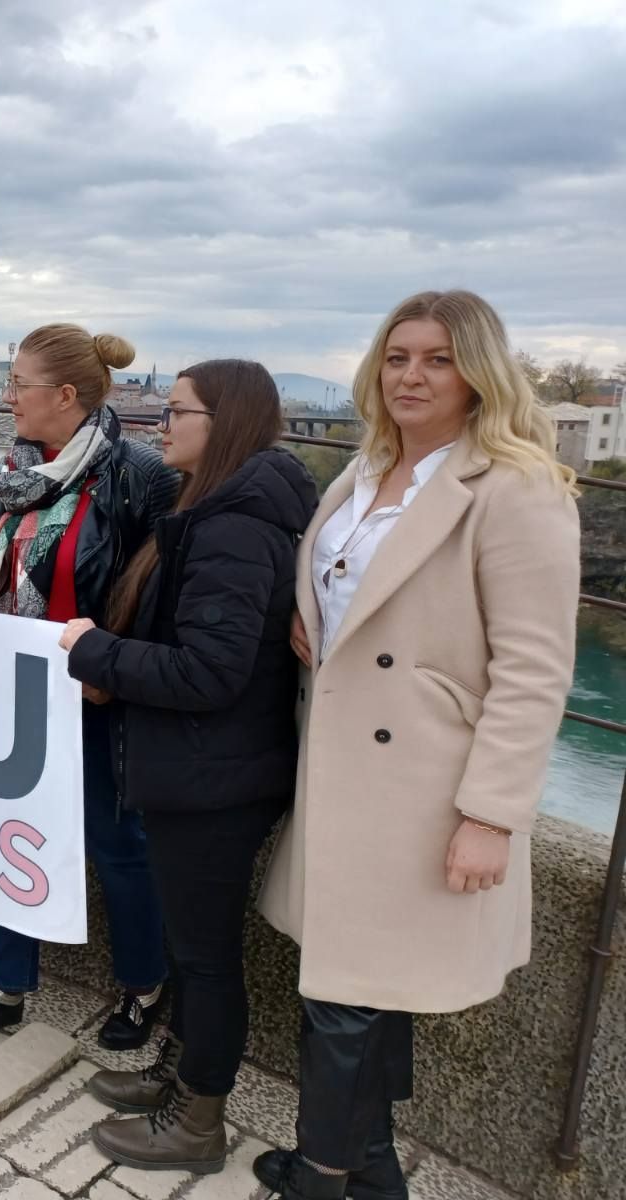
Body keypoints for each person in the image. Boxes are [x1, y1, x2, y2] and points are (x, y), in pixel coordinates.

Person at [253, 291, 580, 1200]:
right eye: (398, 356)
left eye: (438, 358)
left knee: (346, 997)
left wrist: (491, 815)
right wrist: (310, 619)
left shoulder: (515, 487)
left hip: (426, 783)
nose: (412, 375)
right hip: (343, 764)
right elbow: (348, 587)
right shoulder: (361, 471)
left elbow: (534, 670)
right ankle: (374, 1168)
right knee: (362, 988)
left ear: (479, 373)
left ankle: (323, 1173)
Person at [55, 361, 317, 1174]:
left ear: (226, 420)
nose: (158, 425)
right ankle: (178, 1077)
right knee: (189, 944)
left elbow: (209, 672)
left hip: (217, 780)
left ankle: (199, 1121)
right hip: (206, 771)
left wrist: (93, 648)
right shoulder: (217, 508)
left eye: (176, 412)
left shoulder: (235, 526)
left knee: (205, 956)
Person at [0, 323, 175, 1051]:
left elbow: (155, 593)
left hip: (97, 696)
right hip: (18, 693)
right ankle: (7, 984)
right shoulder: (16, 473)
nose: (7, 399)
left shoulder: (139, 476)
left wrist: (114, 667)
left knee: (115, 842)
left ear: (65, 395)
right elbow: (14, 574)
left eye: (18, 385)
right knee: (10, 836)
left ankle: (143, 985)